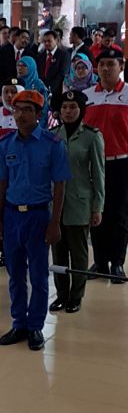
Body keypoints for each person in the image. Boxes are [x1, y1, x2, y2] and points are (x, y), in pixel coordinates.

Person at [0, 89, 70, 350]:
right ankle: (19, 323)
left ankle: (36, 325)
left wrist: (54, 223)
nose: (21, 115)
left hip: (38, 216)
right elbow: (1, 182)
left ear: (39, 114)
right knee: (15, 274)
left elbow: (60, 185)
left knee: (38, 275)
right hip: (12, 215)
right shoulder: (6, 144)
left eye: (27, 110)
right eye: (17, 110)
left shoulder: (52, 144)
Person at [49, 89, 105, 314]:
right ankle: (61, 294)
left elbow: (99, 174)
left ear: (81, 110)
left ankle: (76, 296)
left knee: (79, 253)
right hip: (55, 204)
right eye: (64, 107)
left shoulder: (92, 136)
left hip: (80, 203)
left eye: (73, 107)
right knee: (58, 252)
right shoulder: (53, 135)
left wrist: (98, 207)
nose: (68, 111)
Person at [84, 47, 128, 283]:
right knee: (96, 212)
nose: (106, 69)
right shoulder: (87, 96)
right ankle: (100, 261)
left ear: (121, 67)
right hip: (94, 165)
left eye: (111, 64)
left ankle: (117, 263)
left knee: (120, 214)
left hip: (122, 163)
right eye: (102, 64)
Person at [0, 81, 24, 268]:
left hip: (20, 172)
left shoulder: (25, 116)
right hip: (1, 172)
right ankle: (4, 252)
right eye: (6, 92)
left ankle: (22, 252)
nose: (9, 96)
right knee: (2, 211)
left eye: (13, 92)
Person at [16, 55, 50, 126]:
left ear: (31, 67)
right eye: (18, 65)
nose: (20, 68)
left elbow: (44, 108)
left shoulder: (39, 85)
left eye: (24, 66)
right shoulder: (16, 84)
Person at [37, 31, 69, 97]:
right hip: (41, 92)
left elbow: (62, 74)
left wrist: (49, 88)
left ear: (56, 40)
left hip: (57, 92)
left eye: (49, 41)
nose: (46, 43)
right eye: (45, 41)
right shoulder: (40, 56)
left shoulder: (64, 55)